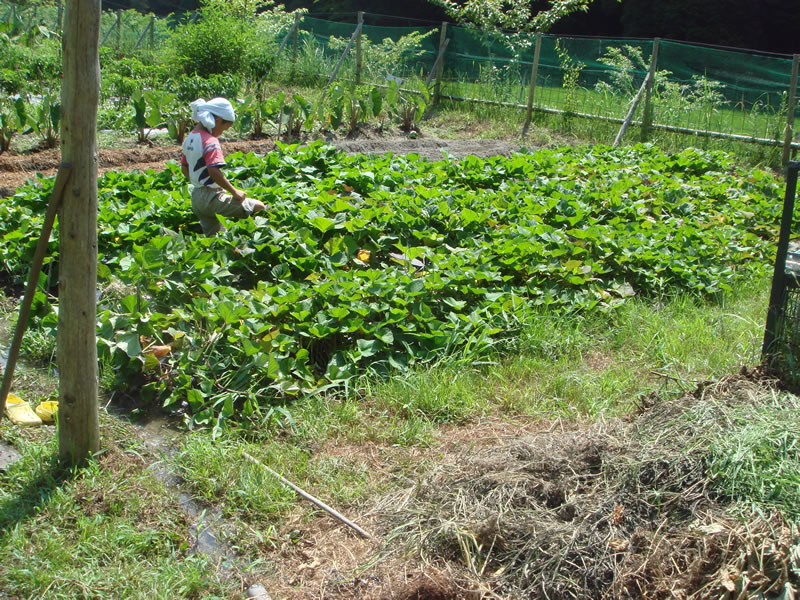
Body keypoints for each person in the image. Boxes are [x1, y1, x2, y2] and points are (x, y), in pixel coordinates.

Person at [180, 97, 266, 235]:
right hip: (211, 198)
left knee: (215, 237)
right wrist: (234, 192)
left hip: (196, 198)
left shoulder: (190, 138)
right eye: (225, 128)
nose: (222, 132)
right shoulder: (210, 141)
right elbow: (213, 171)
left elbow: (184, 168)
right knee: (258, 206)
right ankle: (261, 237)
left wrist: (199, 182)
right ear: (218, 120)